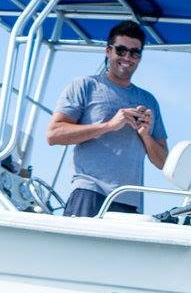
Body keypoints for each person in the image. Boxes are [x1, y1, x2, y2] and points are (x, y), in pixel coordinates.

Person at [47, 22, 168, 216]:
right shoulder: (85, 85)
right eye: (121, 50)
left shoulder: (149, 101)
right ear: (108, 51)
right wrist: (110, 125)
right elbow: (53, 135)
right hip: (89, 192)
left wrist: (145, 135)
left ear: (139, 58)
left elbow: (163, 162)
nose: (127, 57)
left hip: (130, 201)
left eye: (134, 53)